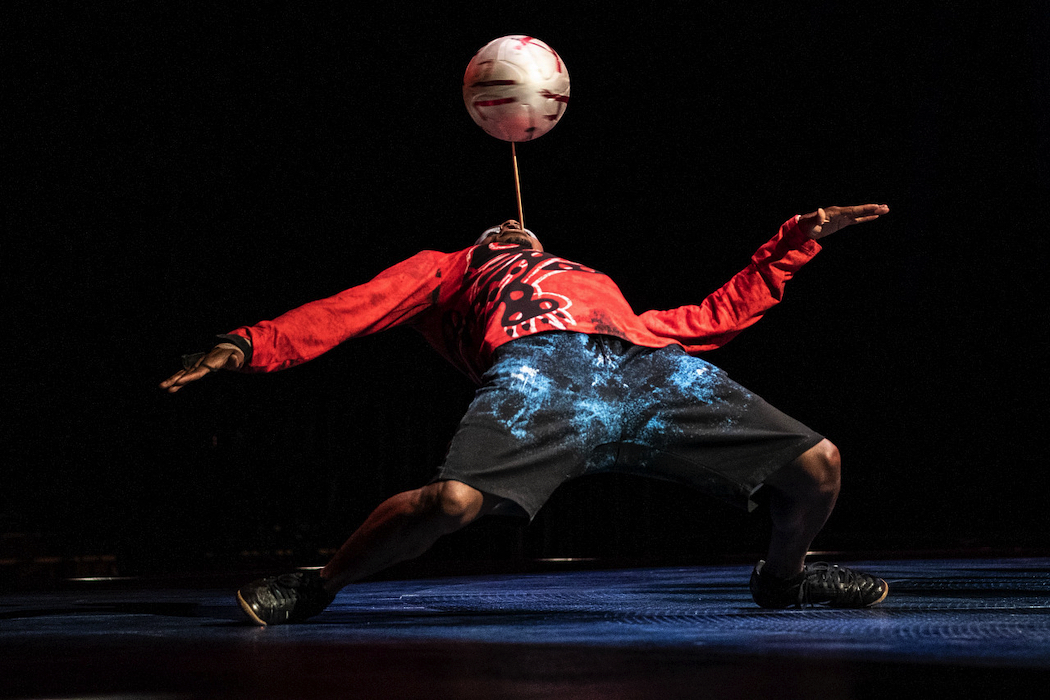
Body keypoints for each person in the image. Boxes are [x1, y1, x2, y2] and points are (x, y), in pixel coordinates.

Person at [161, 204, 891, 625]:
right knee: (450, 502)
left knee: (818, 465)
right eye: (493, 229)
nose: (510, 227)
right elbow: (350, 312)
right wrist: (245, 343)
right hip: (540, 380)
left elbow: (709, 318)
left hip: (640, 367)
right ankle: (319, 585)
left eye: (521, 228)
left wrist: (790, 247)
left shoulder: (593, 284)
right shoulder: (444, 272)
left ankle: (784, 578)